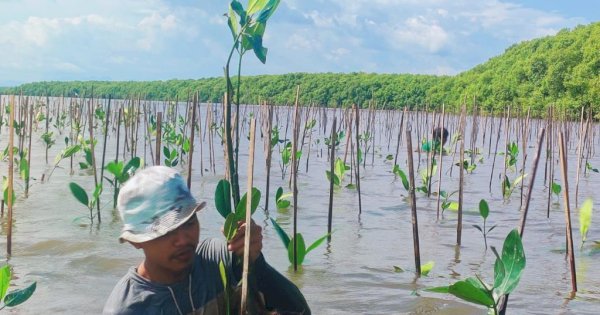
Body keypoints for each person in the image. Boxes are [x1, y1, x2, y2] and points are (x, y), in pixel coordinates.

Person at [103, 166, 311, 315]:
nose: (183, 239)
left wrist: (256, 262)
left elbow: (299, 311)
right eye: (166, 232)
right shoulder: (128, 308)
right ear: (136, 241)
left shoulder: (219, 260)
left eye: (189, 222)